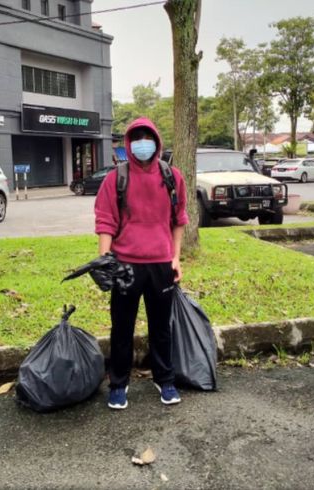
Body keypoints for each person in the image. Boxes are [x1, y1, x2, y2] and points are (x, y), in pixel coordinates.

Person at [94, 117, 189, 410]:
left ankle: (165, 379)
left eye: (148, 138)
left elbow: (179, 220)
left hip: (161, 265)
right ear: (129, 144)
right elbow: (105, 221)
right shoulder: (116, 178)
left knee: (162, 327)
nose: (143, 143)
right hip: (125, 265)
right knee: (121, 328)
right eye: (137, 138)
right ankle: (119, 384)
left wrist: (176, 257)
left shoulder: (173, 177)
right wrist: (105, 259)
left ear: (157, 143)